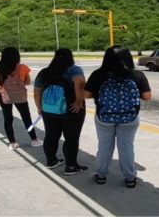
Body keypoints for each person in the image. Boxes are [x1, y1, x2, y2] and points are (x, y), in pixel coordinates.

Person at [84, 46, 151, 188]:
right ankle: (130, 178)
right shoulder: (137, 75)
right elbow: (147, 96)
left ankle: (101, 175)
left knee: (104, 146)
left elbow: (86, 95)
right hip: (129, 118)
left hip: (104, 118)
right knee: (126, 147)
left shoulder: (98, 74)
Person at [33, 48, 87, 175]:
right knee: (71, 138)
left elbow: (36, 92)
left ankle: (51, 161)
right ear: (71, 57)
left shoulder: (44, 72)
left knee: (51, 135)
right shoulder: (74, 69)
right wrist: (79, 101)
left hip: (49, 110)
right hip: (70, 110)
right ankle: (71, 166)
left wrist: (39, 107)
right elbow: (79, 82)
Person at [0, 47, 43, 150]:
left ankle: (12, 143)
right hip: (20, 97)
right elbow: (28, 82)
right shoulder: (23, 67)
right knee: (26, 118)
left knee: (8, 119)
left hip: (5, 97)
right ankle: (34, 140)